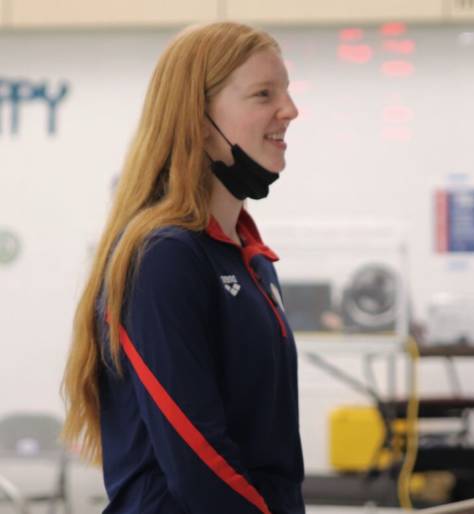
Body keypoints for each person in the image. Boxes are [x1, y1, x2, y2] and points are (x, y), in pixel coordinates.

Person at [61, 22, 303, 513]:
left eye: (287, 92)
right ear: (198, 121)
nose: (290, 111)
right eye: (263, 94)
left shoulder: (250, 260)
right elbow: (198, 460)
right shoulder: (163, 257)